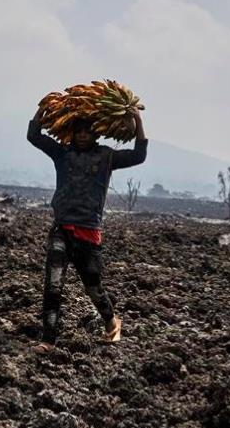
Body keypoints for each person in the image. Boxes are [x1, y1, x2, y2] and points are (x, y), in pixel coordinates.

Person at [27, 110, 147, 352]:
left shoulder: (106, 157)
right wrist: (43, 110)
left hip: (88, 232)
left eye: (87, 131)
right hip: (62, 228)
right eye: (78, 131)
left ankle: (112, 322)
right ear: (72, 133)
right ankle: (48, 340)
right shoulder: (62, 153)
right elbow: (34, 136)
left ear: (96, 134)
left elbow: (138, 155)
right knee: (53, 284)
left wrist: (138, 121)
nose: (82, 135)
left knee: (93, 287)